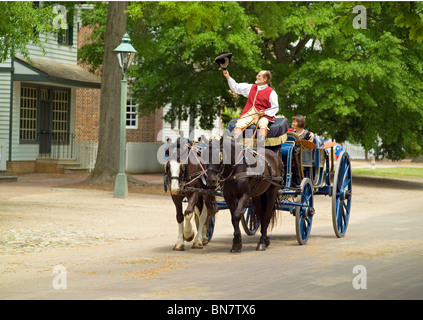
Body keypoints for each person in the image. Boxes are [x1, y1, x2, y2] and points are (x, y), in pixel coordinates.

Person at [223, 70, 279, 147]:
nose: (256, 77)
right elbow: (236, 87)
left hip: (263, 115)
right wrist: (228, 77)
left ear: (265, 79)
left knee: (263, 124)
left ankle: (260, 145)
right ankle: (233, 143)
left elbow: (275, 107)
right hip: (249, 113)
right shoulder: (251, 87)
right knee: (240, 123)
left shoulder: (271, 92)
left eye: (259, 76)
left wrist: (265, 112)